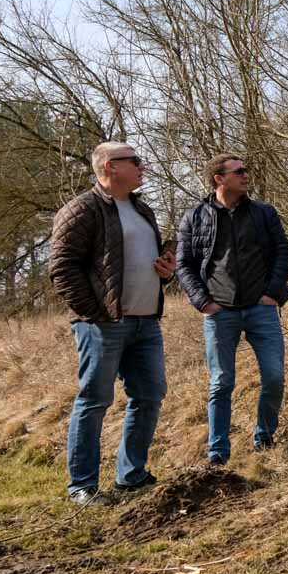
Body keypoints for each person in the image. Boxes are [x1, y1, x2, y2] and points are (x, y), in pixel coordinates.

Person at [48, 142, 176, 506]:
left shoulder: (143, 209)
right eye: (133, 161)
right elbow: (62, 268)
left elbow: (138, 265)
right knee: (95, 400)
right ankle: (83, 487)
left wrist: (165, 274)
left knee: (150, 395)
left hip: (146, 322)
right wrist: (96, 314)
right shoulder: (82, 209)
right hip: (102, 325)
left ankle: (131, 477)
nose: (142, 166)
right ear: (109, 166)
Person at [176, 154, 288, 466]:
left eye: (246, 169)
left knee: (274, 376)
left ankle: (264, 436)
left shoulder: (264, 214)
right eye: (239, 171)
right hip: (219, 312)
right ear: (219, 178)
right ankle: (218, 454)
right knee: (221, 383)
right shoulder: (194, 218)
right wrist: (203, 302)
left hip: (261, 308)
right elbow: (183, 265)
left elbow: (283, 253)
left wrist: (272, 294)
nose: (246, 175)